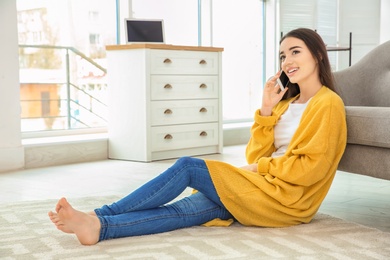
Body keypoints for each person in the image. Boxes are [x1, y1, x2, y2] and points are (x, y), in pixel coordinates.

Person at [48, 28, 347, 245]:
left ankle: (99, 214)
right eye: (283, 55)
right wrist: (266, 110)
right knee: (185, 210)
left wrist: (260, 169)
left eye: (296, 52)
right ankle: (99, 227)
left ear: (318, 55)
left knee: (189, 167)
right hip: (261, 188)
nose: (286, 61)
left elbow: (312, 168)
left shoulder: (328, 103)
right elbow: (254, 156)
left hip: (288, 201)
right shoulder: (283, 104)